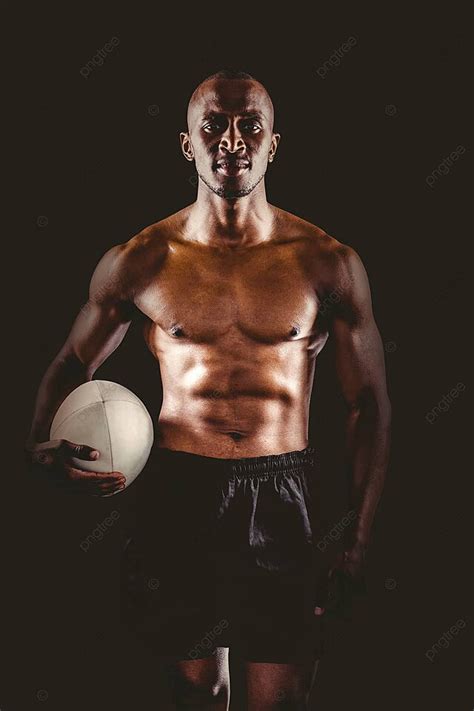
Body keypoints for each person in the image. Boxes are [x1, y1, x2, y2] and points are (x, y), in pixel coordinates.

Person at [25, 69, 392, 710]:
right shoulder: (142, 259)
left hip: (282, 496)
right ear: (187, 144)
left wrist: (358, 536)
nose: (232, 140)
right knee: (198, 700)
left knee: (278, 702)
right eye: (213, 125)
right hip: (177, 496)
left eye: (250, 125)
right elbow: (69, 362)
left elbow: (370, 405)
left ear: (273, 144)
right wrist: (39, 445)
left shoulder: (326, 262)